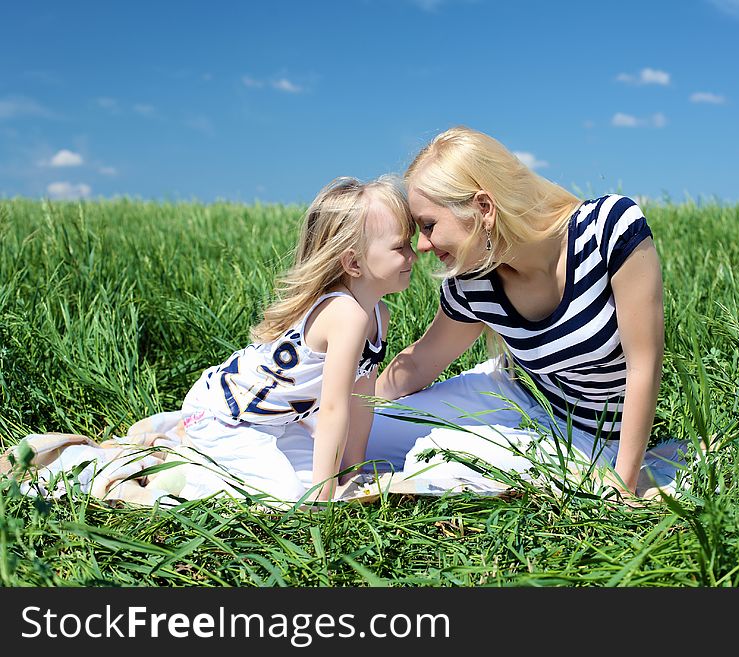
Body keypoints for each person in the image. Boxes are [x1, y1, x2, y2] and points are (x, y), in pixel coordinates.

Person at [365, 127, 664, 498]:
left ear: (484, 209)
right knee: (360, 433)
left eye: (429, 226)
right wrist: (341, 403)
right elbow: (421, 362)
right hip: (514, 393)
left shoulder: (607, 230)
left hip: (591, 437)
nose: (422, 246)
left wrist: (623, 483)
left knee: (439, 455)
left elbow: (644, 364)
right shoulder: (473, 279)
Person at [174, 176, 415, 503]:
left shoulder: (377, 315)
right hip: (227, 416)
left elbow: (360, 400)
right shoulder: (345, 315)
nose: (414, 255)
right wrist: (324, 497)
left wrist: (351, 471)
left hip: (280, 423)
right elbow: (332, 409)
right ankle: (186, 458)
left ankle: (192, 443)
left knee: (316, 483)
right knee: (290, 498)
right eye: (400, 246)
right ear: (354, 262)